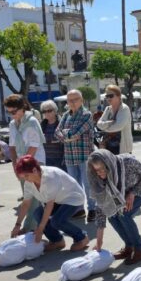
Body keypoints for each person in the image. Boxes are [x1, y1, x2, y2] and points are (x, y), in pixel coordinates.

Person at [11, 155, 89, 252]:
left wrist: (40, 229)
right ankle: (57, 241)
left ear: (35, 170)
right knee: (37, 213)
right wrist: (17, 225)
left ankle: (81, 237)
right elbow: (26, 203)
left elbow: (49, 206)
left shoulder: (50, 177)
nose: (25, 179)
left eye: (26, 176)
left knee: (57, 221)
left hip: (72, 198)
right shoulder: (29, 182)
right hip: (57, 199)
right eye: (23, 177)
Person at [88, 150, 141, 264]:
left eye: (104, 168)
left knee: (124, 214)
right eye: (97, 170)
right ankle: (129, 246)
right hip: (123, 195)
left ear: (109, 163)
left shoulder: (128, 162)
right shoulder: (96, 178)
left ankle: (140, 251)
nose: (101, 173)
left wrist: (133, 193)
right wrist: (99, 242)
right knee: (112, 214)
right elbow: (101, 208)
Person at [7, 94, 46, 232]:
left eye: (14, 112)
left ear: (22, 108)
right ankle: (34, 226)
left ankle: (30, 228)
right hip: (21, 164)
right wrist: (14, 165)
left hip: (34, 163)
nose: (12, 115)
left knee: (34, 198)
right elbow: (11, 146)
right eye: (9, 112)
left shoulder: (32, 121)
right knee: (27, 195)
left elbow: (34, 147)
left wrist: (23, 167)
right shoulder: (12, 124)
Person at [57, 89, 96, 222]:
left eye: (75, 99)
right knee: (73, 184)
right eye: (69, 100)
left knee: (88, 183)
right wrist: (69, 136)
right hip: (69, 156)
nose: (72, 103)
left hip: (85, 155)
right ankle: (79, 209)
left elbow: (77, 132)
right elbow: (57, 132)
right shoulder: (65, 115)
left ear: (81, 100)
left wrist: (66, 135)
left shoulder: (87, 114)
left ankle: (92, 209)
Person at [97, 84, 133, 155]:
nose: (108, 98)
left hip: (122, 147)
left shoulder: (124, 109)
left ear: (119, 96)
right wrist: (110, 122)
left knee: (121, 166)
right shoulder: (108, 109)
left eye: (111, 96)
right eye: (107, 96)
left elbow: (118, 126)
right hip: (108, 147)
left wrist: (104, 128)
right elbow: (99, 124)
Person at [39, 100, 66, 170]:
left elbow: (65, 138)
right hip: (47, 158)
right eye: (44, 111)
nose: (46, 113)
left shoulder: (61, 123)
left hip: (60, 158)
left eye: (49, 110)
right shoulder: (42, 124)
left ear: (55, 111)